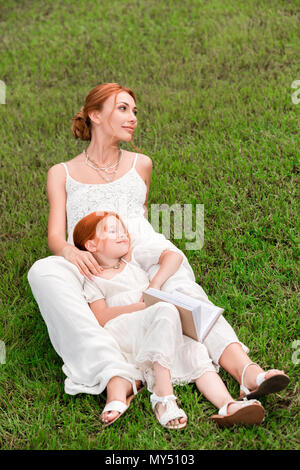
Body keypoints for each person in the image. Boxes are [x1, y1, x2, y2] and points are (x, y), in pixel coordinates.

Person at [27, 82, 289, 426]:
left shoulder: (141, 163)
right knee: (42, 272)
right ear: (95, 114)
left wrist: (148, 271)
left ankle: (246, 373)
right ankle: (113, 370)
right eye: (122, 108)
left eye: (134, 111)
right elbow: (55, 236)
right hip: (87, 251)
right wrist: (69, 253)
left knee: (181, 285)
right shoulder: (61, 172)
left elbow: (142, 216)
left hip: (138, 241)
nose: (132, 117)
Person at [74, 210, 267, 428]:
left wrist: (154, 288)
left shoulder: (132, 260)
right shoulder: (93, 279)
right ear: (91, 245)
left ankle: (228, 404)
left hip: (158, 322)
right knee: (165, 309)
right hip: (127, 328)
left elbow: (172, 256)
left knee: (194, 348)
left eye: (123, 230)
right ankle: (163, 396)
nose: (123, 235)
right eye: (112, 231)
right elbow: (101, 316)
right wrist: (144, 305)